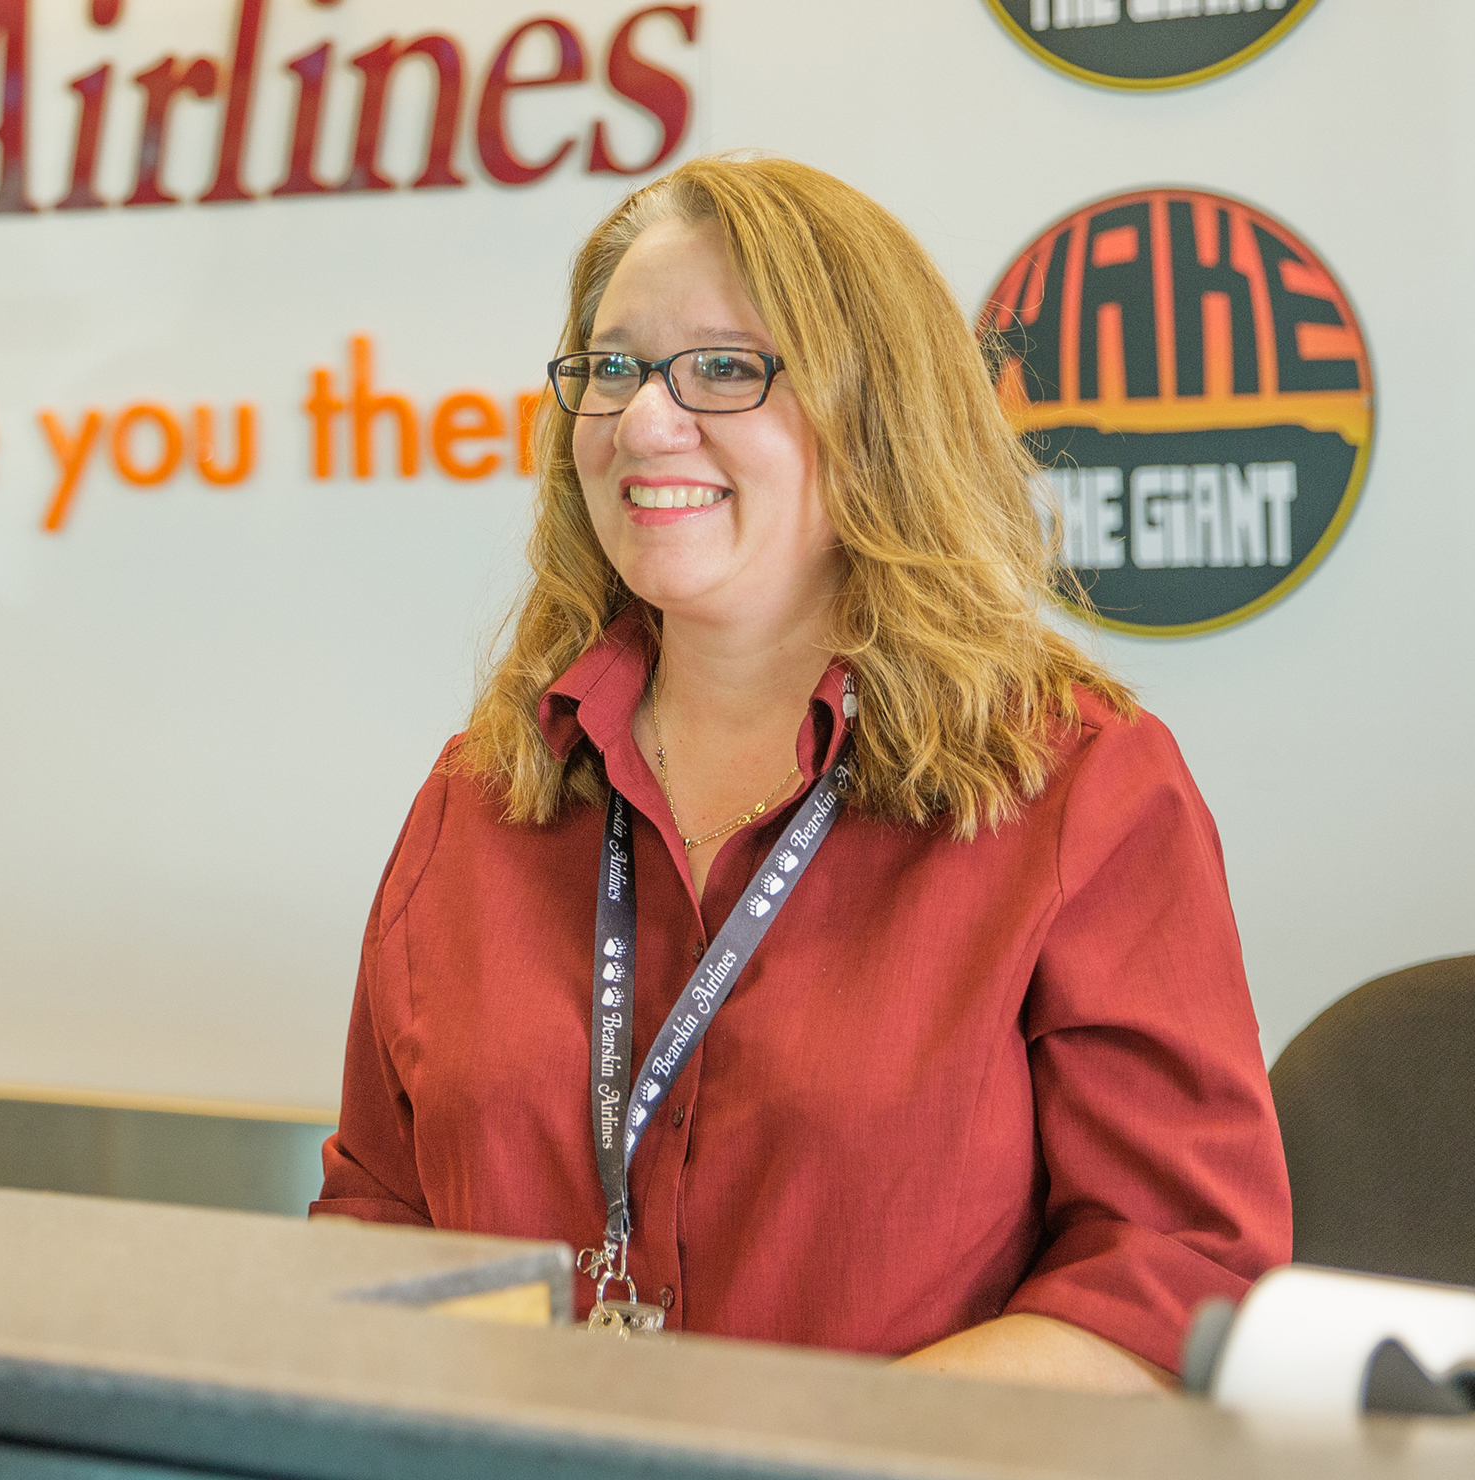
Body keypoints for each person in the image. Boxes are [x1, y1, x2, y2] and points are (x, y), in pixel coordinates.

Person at [312, 155, 1292, 1392]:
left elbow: (1172, 1274)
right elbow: (377, 1220)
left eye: (725, 367)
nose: (645, 421)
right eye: (613, 368)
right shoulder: (483, 793)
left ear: (874, 414)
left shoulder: (1078, 786)